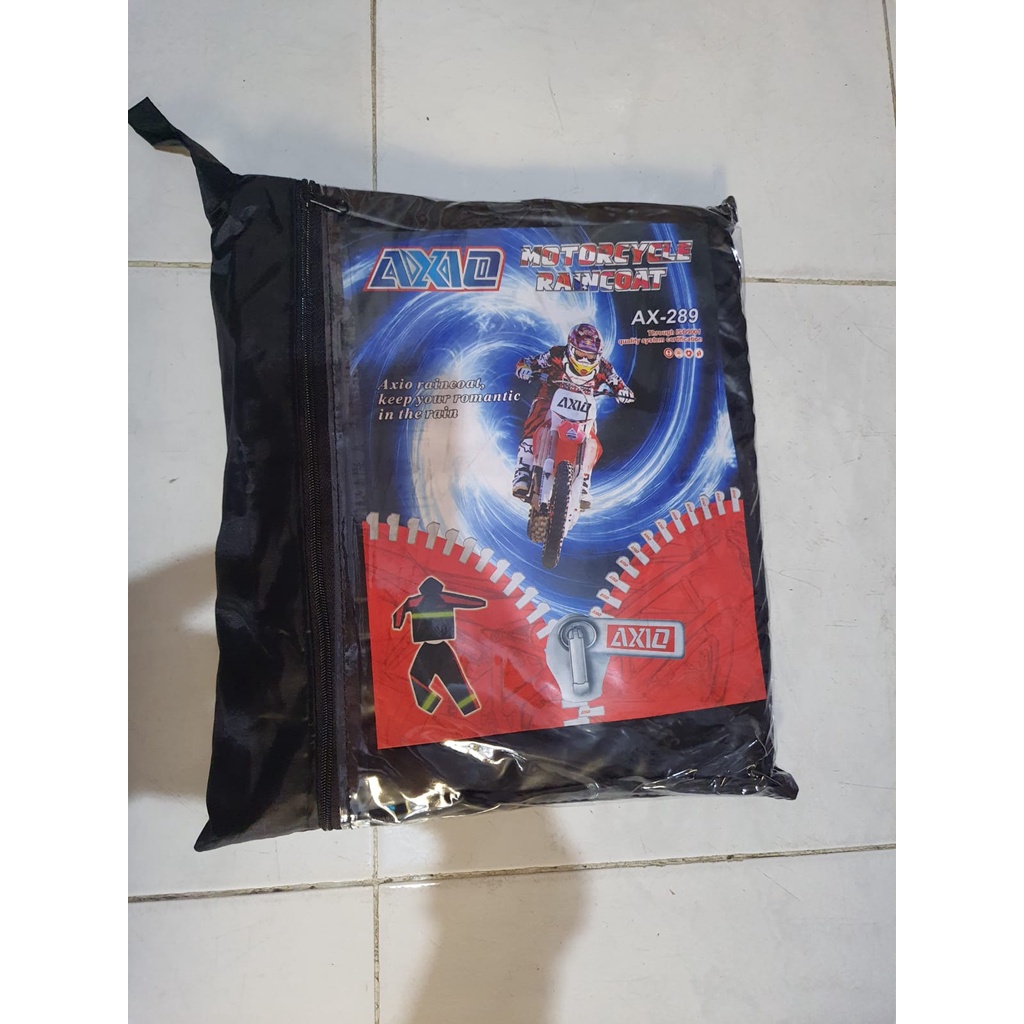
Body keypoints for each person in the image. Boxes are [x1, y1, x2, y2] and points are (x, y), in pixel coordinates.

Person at [512, 323, 634, 507]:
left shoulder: (604, 367)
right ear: (570, 348)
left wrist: (623, 393)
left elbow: (619, 384)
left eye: (590, 356)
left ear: (598, 355)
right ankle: (523, 470)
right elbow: (531, 362)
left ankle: (583, 479)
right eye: (580, 354)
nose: (584, 360)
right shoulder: (556, 354)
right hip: (551, 395)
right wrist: (525, 368)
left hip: (582, 405)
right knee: (535, 420)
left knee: (591, 435)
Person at [392, 577, 487, 715]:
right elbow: (466, 601)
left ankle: (461, 708)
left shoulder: (416, 600)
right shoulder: (443, 597)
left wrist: (398, 624)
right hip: (437, 648)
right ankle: (469, 708)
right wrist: (481, 602)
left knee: (434, 678)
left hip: (433, 648)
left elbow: (400, 611)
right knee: (453, 679)